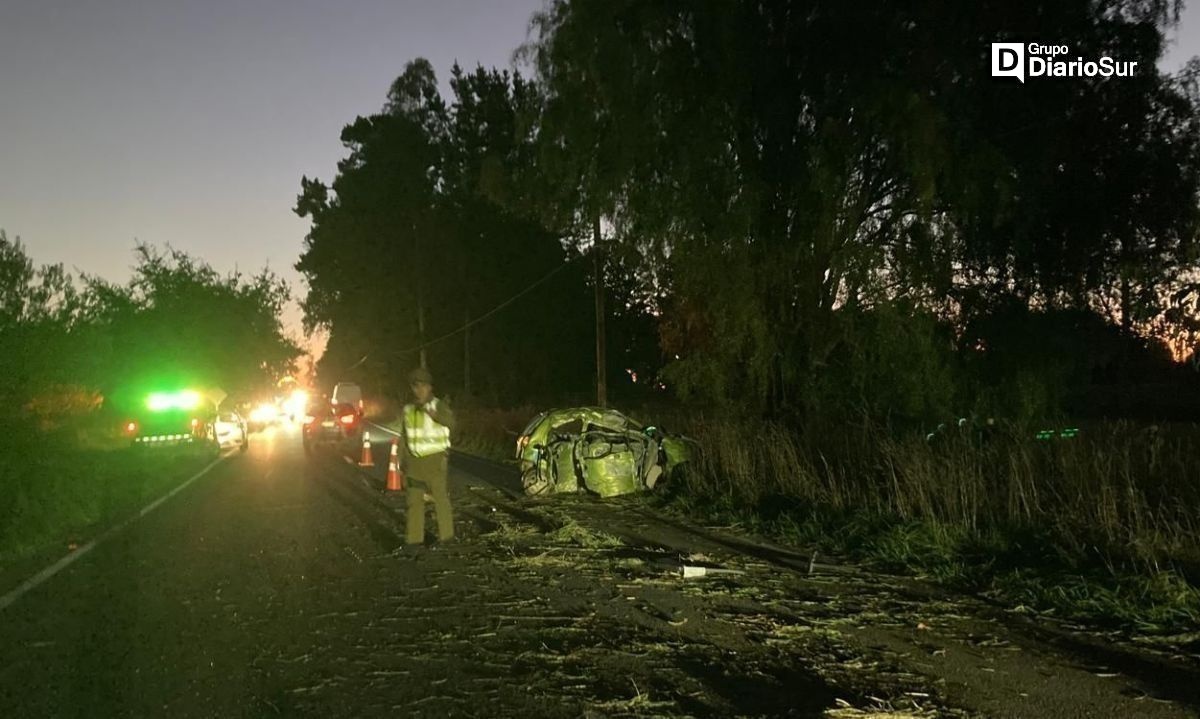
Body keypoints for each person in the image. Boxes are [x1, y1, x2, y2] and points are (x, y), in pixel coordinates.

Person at [399, 367, 456, 547]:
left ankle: (447, 538)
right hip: (414, 463)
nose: (418, 390)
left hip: (435, 461)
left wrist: (436, 416)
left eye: (422, 386)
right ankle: (414, 541)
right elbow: (404, 436)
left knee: (440, 499)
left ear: (430, 387)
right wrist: (402, 462)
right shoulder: (408, 409)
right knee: (414, 503)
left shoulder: (438, 405)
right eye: (415, 386)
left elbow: (452, 424)